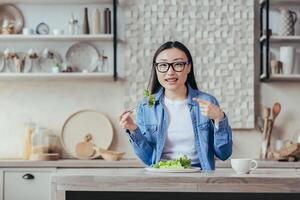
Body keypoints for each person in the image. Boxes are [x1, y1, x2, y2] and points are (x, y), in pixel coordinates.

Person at [119, 41, 232, 170]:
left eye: (178, 64)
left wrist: (219, 118)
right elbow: (148, 159)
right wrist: (133, 129)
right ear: (156, 69)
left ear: (189, 67)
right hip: (161, 179)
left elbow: (224, 154)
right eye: (163, 65)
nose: (170, 72)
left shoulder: (207, 101)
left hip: (199, 178)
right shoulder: (146, 107)